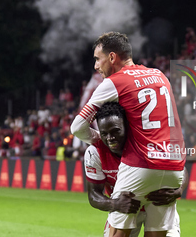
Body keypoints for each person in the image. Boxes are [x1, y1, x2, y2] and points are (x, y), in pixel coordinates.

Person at [71, 32, 186, 237]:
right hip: (174, 166)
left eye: (98, 59)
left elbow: (77, 127)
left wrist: (99, 141)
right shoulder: (160, 75)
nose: (96, 66)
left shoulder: (113, 82)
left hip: (141, 164)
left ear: (112, 57)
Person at [85, 102, 187, 237]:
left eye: (116, 131)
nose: (110, 138)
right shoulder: (95, 152)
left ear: (126, 126)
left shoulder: (145, 142)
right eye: (104, 133)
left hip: (158, 204)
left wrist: (178, 191)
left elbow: (181, 167)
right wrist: (115, 204)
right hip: (125, 209)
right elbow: (93, 196)